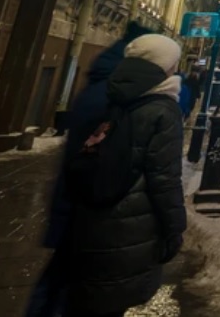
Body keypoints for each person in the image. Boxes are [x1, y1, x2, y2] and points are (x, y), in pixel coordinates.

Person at [26, 21, 154, 317]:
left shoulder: (112, 82)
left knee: (66, 285)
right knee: (74, 292)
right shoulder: (115, 93)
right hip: (93, 212)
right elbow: (99, 160)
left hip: (86, 208)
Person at [63, 34, 187, 317]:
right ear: (164, 65)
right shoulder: (162, 108)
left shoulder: (115, 91)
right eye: (173, 63)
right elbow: (164, 178)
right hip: (132, 222)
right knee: (110, 301)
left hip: (94, 218)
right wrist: (174, 229)